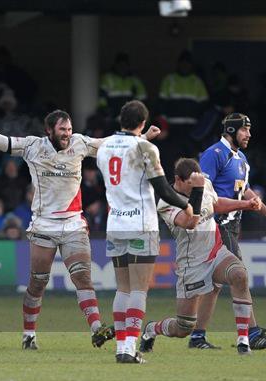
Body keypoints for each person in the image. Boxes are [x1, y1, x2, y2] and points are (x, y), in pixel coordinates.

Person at [0, 108, 160, 350]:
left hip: (73, 223)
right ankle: (29, 334)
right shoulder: (33, 146)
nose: (67, 134)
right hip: (43, 224)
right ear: (49, 130)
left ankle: (96, 329)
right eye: (62, 130)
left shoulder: (80, 143)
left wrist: (143, 137)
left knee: (83, 277)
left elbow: (111, 145)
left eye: (70, 129)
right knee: (37, 283)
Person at [96, 100, 192, 364]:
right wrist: (188, 204)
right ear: (142, 123)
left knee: (123, 289)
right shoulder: (146, 148)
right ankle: (128, 349)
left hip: (115, 223)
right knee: (139, 290)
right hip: (141, 224)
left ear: (121, 121)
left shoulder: (104, 147)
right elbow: (163, 190)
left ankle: (120, 348)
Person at [139, 158, 261, 355]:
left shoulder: (203, 182)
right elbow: (189, 222)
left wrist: (246, 204)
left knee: (239, 274)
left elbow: (216, 203)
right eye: (191, 185)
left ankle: (243, 342)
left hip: (215, 251)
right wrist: (197, 191)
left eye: (197, 185)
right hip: (191, 264)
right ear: (178, 180)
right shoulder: (165, 201)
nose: (196, 187)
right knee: (183, 327)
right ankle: (152, 329)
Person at [192, 113, 266, 350]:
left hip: (232, 226)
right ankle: (252, 333)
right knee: (239, 276)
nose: (249, 135)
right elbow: (204, 193)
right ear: (231, 131)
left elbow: (246, 191)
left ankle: (197, 336)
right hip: (218, 225)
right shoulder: (214, 155)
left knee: (214, 284)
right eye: (245, 130)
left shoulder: (241, 158)